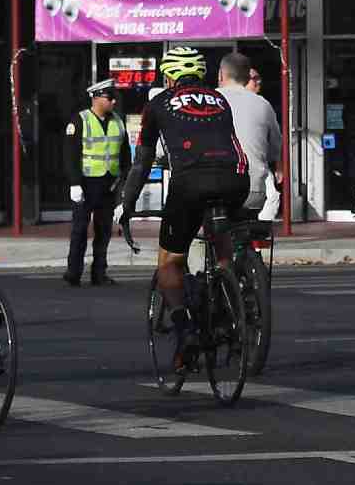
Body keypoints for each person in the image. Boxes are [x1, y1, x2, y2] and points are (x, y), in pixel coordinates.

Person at [117, 46, 248, 370]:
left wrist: (128, 203)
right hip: (235, 180)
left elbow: (143, 161)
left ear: (168, 76)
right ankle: (229, 292)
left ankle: (186, 329)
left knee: (170, 262)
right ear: (201, 74)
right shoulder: (220, 100)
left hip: (190, 183)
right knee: (220, 246)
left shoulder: (158, 103)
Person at [63, 77, 129, 287]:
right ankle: (73, 273)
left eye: (114, 97)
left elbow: (125, 154)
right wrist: (74, 183)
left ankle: (99, 273)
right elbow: (70, 155)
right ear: (96, 98)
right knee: (80, 230)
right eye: (110, 97)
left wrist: (123, 182)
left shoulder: (118, 121)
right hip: (85, 184)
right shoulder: (79, 120)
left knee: (103, 231)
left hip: (108, 184)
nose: (113, 102)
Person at [215, 52, 283, 224]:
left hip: (215, 188)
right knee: (246, 227)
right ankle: (249, 247)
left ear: (221, 74)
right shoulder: (263, 105)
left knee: (211, 232)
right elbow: (276, 147)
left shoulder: (208, 101)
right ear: (247, 78)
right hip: (253, 189)